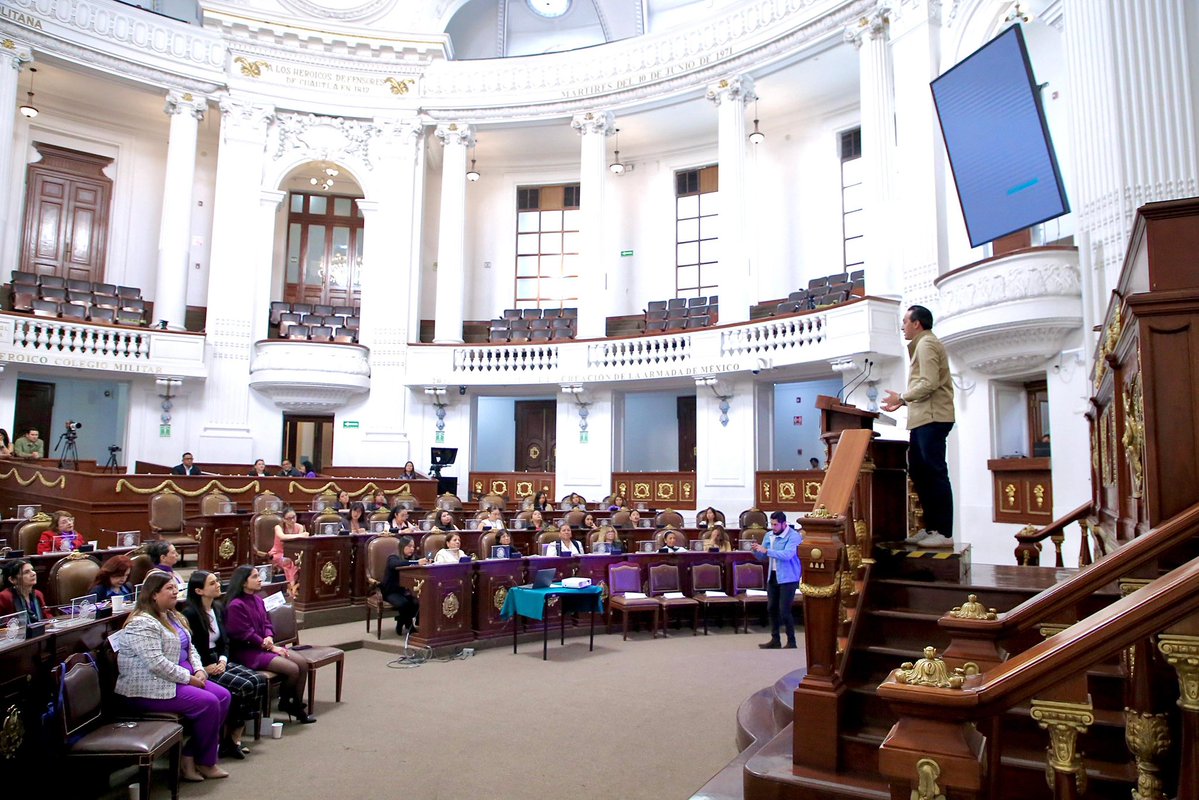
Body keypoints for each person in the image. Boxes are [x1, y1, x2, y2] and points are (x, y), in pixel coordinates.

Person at [115, 571, 232, 780]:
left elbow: (191, 648)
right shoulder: (142, 623)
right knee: (209, 702)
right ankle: (204, 762)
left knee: (224, 696)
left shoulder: (172, 615)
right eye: (169, 588)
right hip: (150, 686)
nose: (175, 591)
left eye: (176, 587)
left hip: (180, 676)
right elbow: (156, 664)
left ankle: (190, 755)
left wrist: (199, 669)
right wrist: (189, 678)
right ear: (153, 594)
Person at [882, 304, 956, 548]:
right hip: (924, 418)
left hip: (933, 420)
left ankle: (944, 533)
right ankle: (931, 527)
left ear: (917, 323)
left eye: (905, 321)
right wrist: (903, 403)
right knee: (919, 473)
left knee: (934, 473)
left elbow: (929, 383)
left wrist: (902, 398)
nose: (902, 326)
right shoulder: (921, 345)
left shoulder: (926, 344)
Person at [181, 570, 268, 759]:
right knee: (244, 686)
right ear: (199, 591)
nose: (218, 585)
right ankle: (227, 739)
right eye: (212, 583)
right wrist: (203, 667)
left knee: (259, 680)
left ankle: (234, 738)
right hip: (202, 663)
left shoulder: (218, 608)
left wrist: (222, 660)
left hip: (219, 659)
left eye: (217, 581)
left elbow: (225, 642)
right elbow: (191, 647)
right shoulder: (190, 614)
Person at [224, 565, 314, 724]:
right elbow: (244, 633)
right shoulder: (236, 605)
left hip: (265, 645)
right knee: (292, 669)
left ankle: (294, 703)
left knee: (302, 663)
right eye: (254, 577)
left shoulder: (258, 600)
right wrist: (270, 646)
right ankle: (287, 703)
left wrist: (269, 637)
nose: (260, 579)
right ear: (243, 582)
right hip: (248, 652)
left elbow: (267, 623)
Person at [752, 511, 802, 650]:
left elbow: (787, 555)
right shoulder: (769, 535)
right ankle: (775, 639)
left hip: (788, 577)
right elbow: (762, 557)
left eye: (775, 524)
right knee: (772, 608)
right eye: (771, 524)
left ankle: (791, 641)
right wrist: (756, 550)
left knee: (784, 610)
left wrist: (766, 551)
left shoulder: (794, 536)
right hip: (773, 576)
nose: (773, 527)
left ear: (784, 523)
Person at [381, 535, 427, 634]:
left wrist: (426, 561)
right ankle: (409, 626)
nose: (412, 549)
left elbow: (420, 561)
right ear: (402, 546)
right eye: (409, 546)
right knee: (404, 604)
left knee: (417, 603)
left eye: (413, 547)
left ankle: (401, 620)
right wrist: (416, 562)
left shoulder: (414, 557)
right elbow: (396, 564)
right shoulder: (393, 557)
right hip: (391, 591)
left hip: (406, 590)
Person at [271, 508, 308, 593]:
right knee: (289, 561)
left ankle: (297, 587)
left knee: (299, 561)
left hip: (295, 553)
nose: (292, 520)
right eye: (289, 518)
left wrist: (300, 535)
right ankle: (292, 588)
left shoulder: (299, 527)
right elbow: (283, 537)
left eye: (294, 517)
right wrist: (301, 535)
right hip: (278, 553)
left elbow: (299, 543)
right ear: (283, 519)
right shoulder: (278, 527)